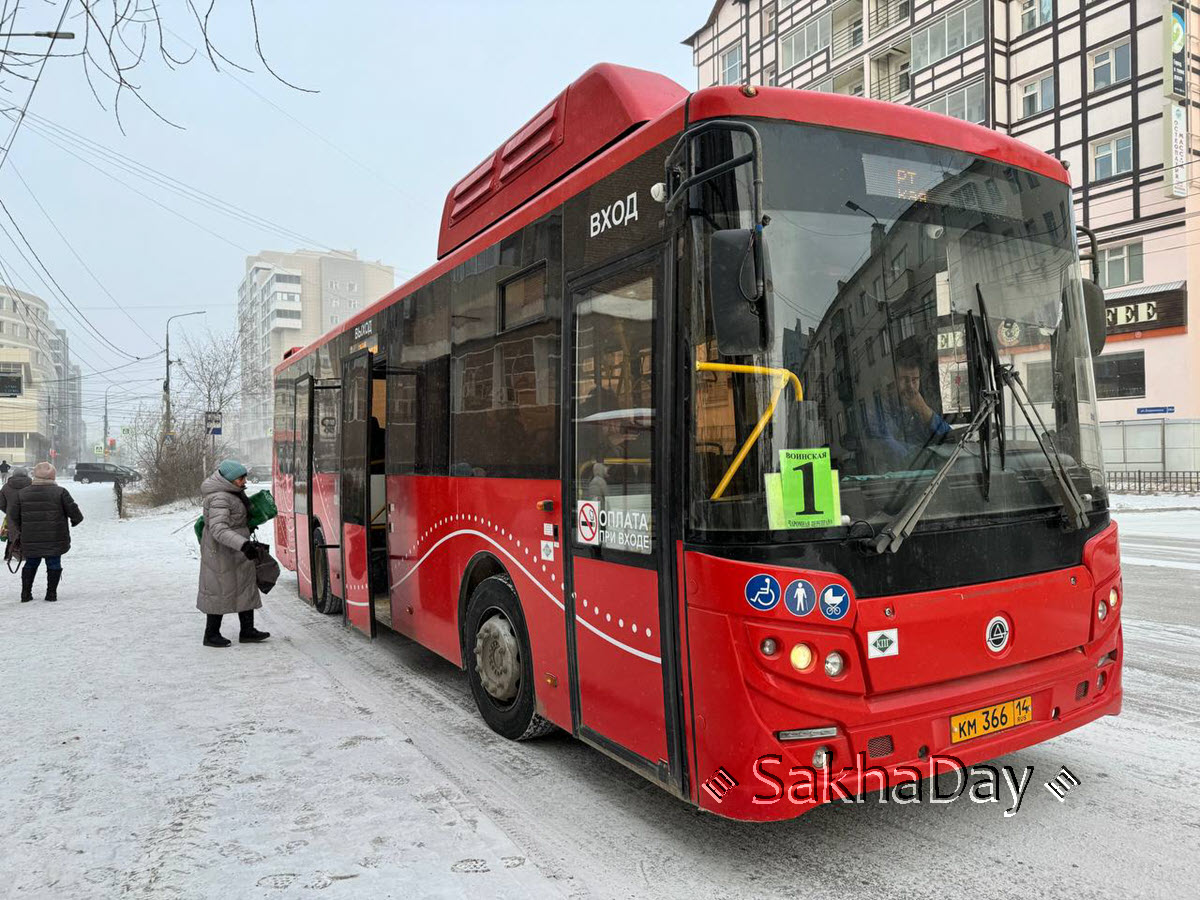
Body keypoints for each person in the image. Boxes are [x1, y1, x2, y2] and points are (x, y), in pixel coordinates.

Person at [197, 459, 270, 647]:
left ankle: (247, 630)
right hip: (221, 552)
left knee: (245, 587)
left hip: (237, 551)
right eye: (240, 478)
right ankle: (211, 634)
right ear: (228, 479)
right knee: (219, 590)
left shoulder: (232, 493)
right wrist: (244, 544)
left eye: (244, 477)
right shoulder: (220, 497)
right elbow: (219, 529)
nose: (244, 481)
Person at [7, 462, 83, 603]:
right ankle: (51, 594)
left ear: (34, 475)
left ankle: (25, 594)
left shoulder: (22, 493)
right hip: (55, 537)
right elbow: (75, 514)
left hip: (30, 537)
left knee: (31, 563)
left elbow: (13, 515)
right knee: (54, 563)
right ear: (53, 476)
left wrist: (22, 528)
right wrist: (74, 521)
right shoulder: (61, 492)